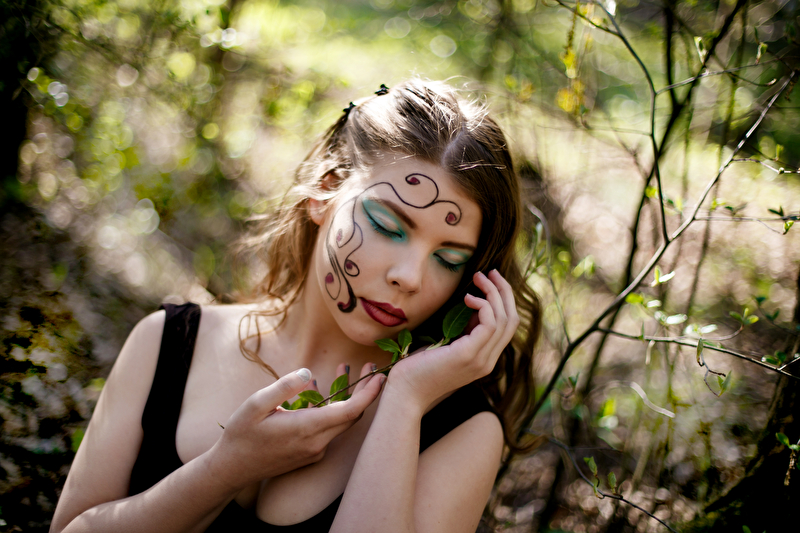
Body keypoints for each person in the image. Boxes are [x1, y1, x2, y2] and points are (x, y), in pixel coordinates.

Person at [50, 79, 541, 532]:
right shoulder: (168, 341)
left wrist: (404, 403)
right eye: (388, 226)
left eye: (449, 259)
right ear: (325, 190)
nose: (409, 277)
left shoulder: (460, 429)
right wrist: (225, 469)